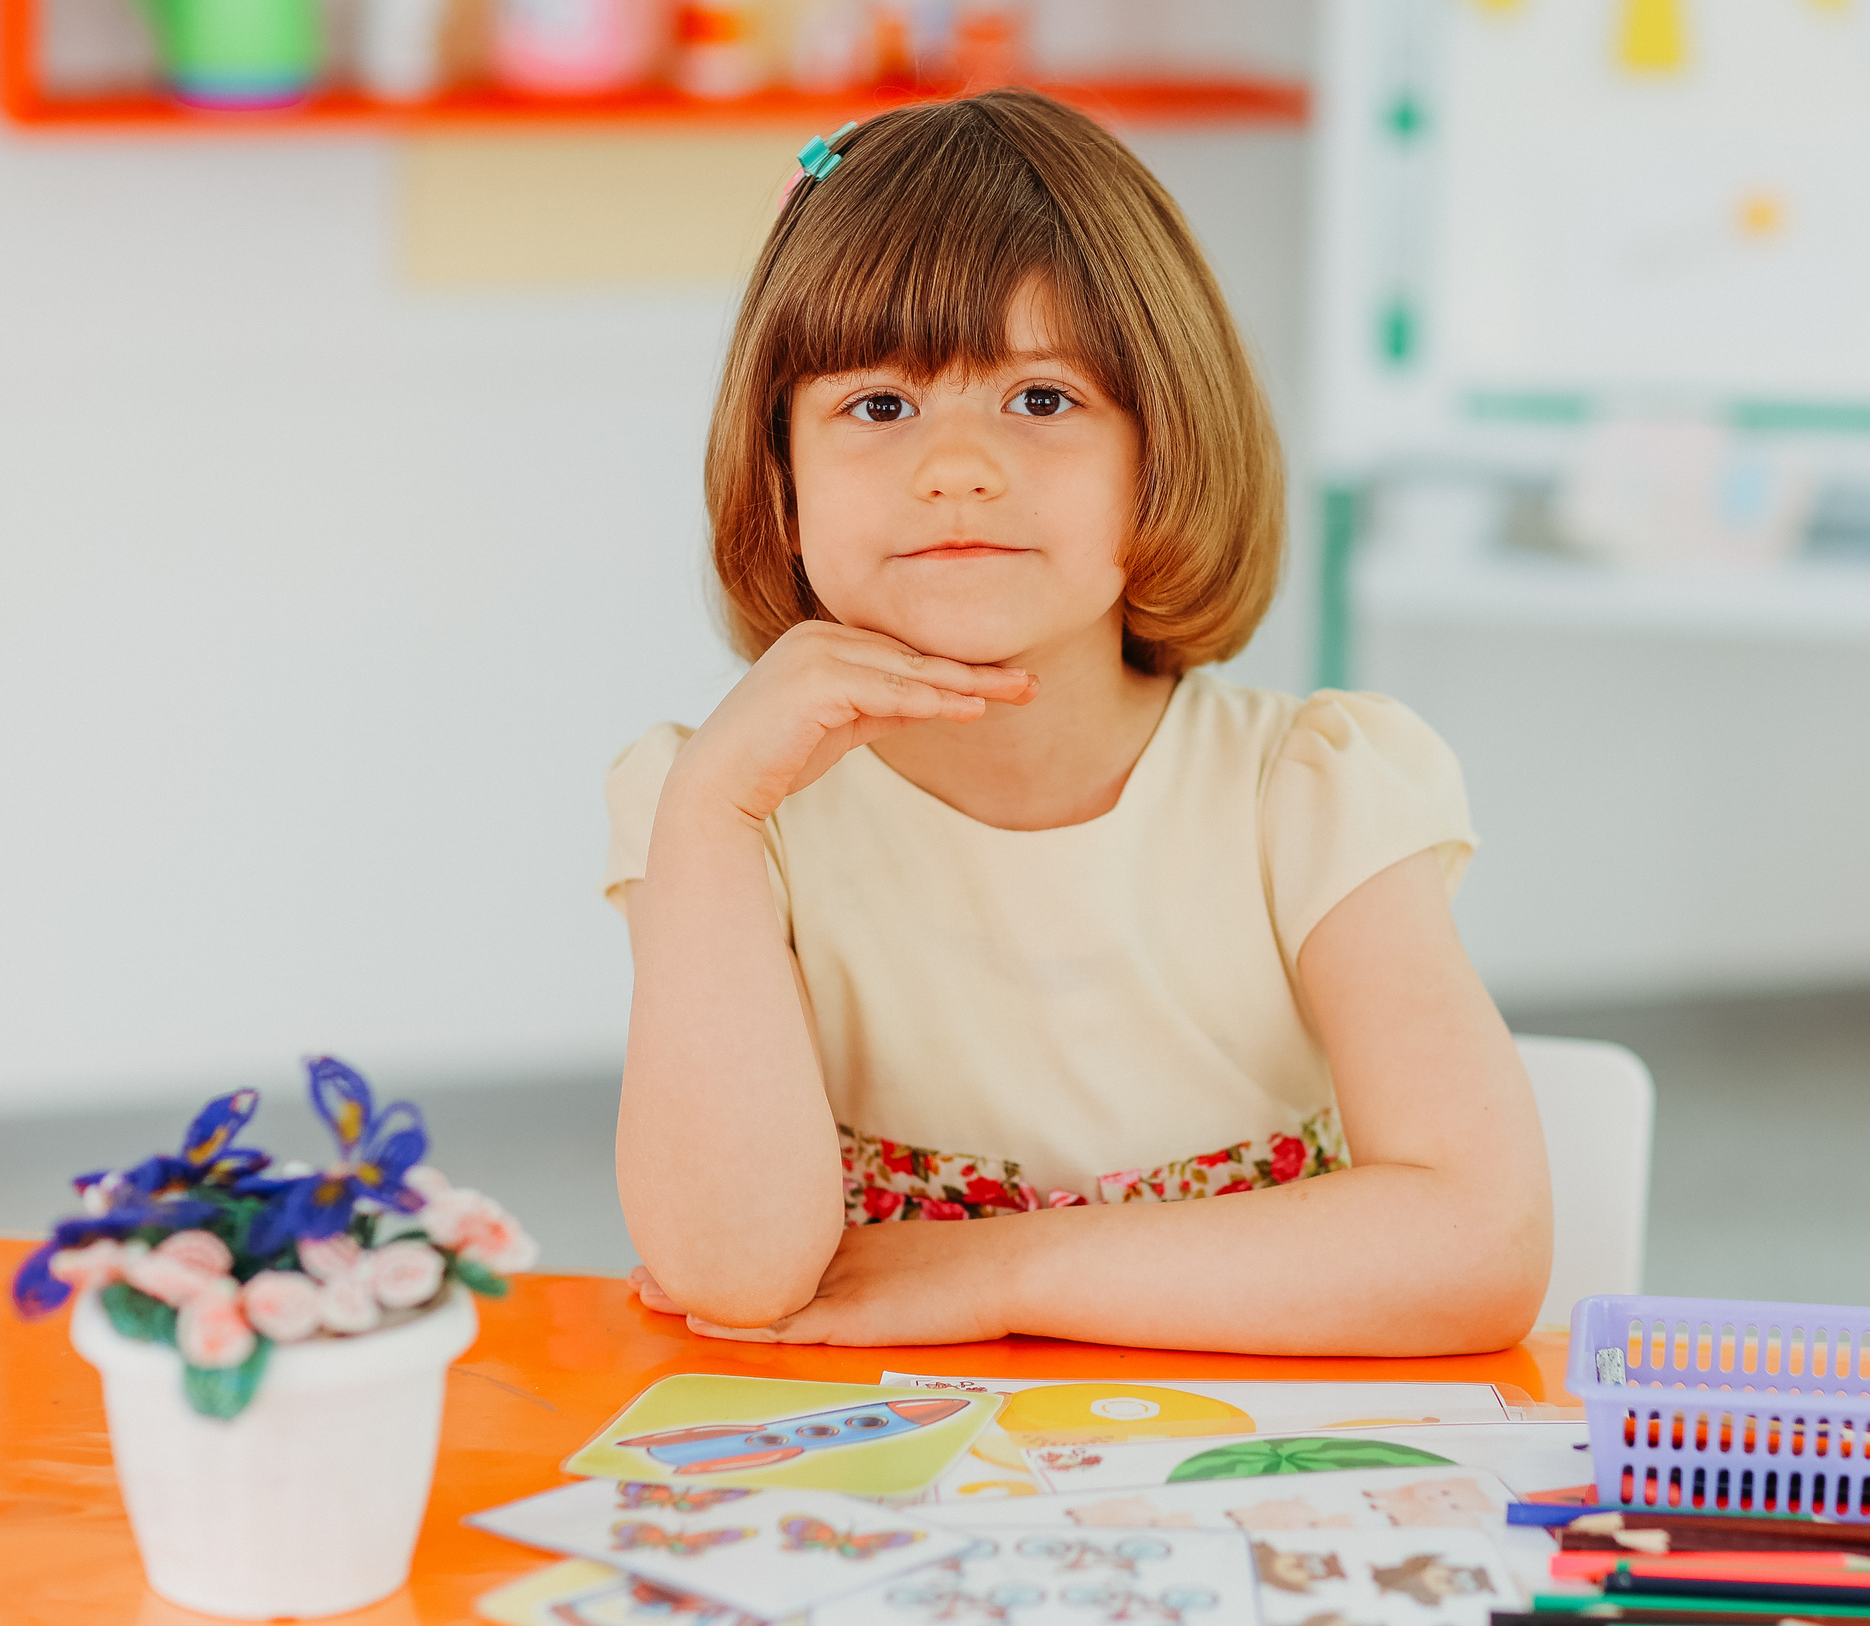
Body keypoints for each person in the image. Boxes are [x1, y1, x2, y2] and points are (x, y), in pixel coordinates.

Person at [602, 89, 1548, 1353]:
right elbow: (734, 1273)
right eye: (877, 407)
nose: (955, 466)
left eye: (1041, 400)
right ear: (779, 481)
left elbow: (1478, 1248)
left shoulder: (1308, 792)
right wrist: (714, 814)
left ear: (1163, 452)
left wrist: (1002, 1271)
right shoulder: (718, 810)